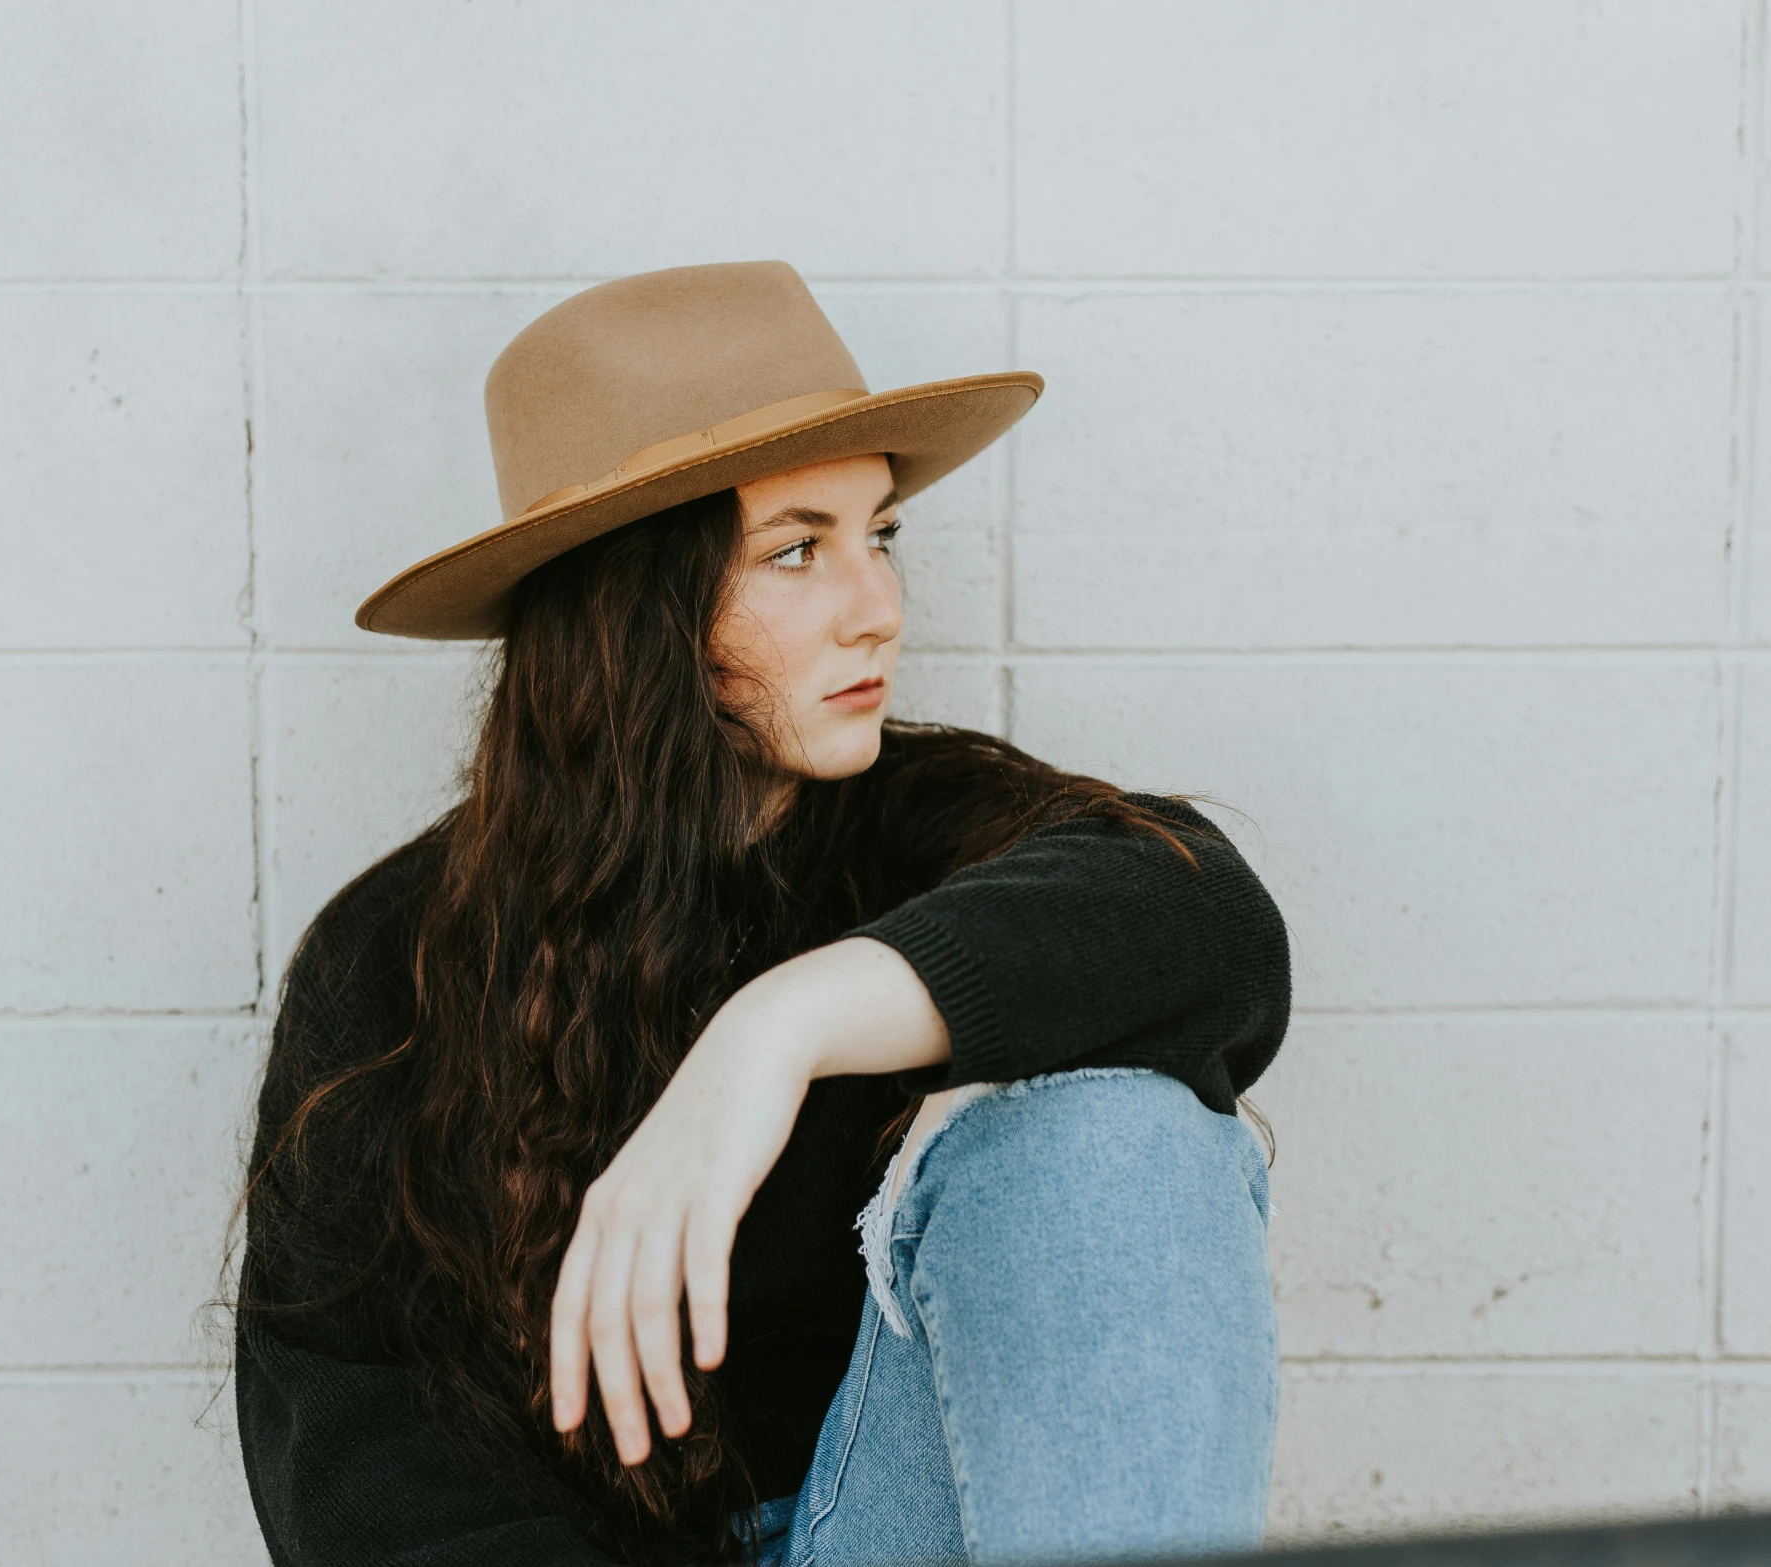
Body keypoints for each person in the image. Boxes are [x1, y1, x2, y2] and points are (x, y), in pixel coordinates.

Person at [233, 260, 1293, 1567]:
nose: (878, 607)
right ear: (635, 612)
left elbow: (1197, 916)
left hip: (907, 1528)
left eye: (880, 533)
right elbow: (361, 1479)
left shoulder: (929, 821)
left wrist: (778, 1028)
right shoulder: (389, 956)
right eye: (798, 549)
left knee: (1114, 1128)